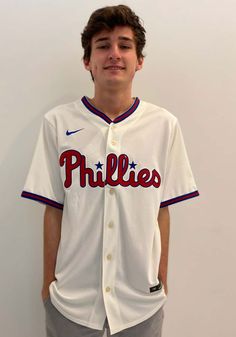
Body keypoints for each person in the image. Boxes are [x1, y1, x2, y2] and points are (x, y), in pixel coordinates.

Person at [21, 4, 199, 337]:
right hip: (72, 299)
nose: (114, 53)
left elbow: (163, 209)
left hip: (139, 302)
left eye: (124, 45)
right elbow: (53, 209)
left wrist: (162, 279)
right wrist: (48, 285)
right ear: (88, 60)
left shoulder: (164, 126)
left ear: (139, 60)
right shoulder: (58, 123)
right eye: (103, 45)